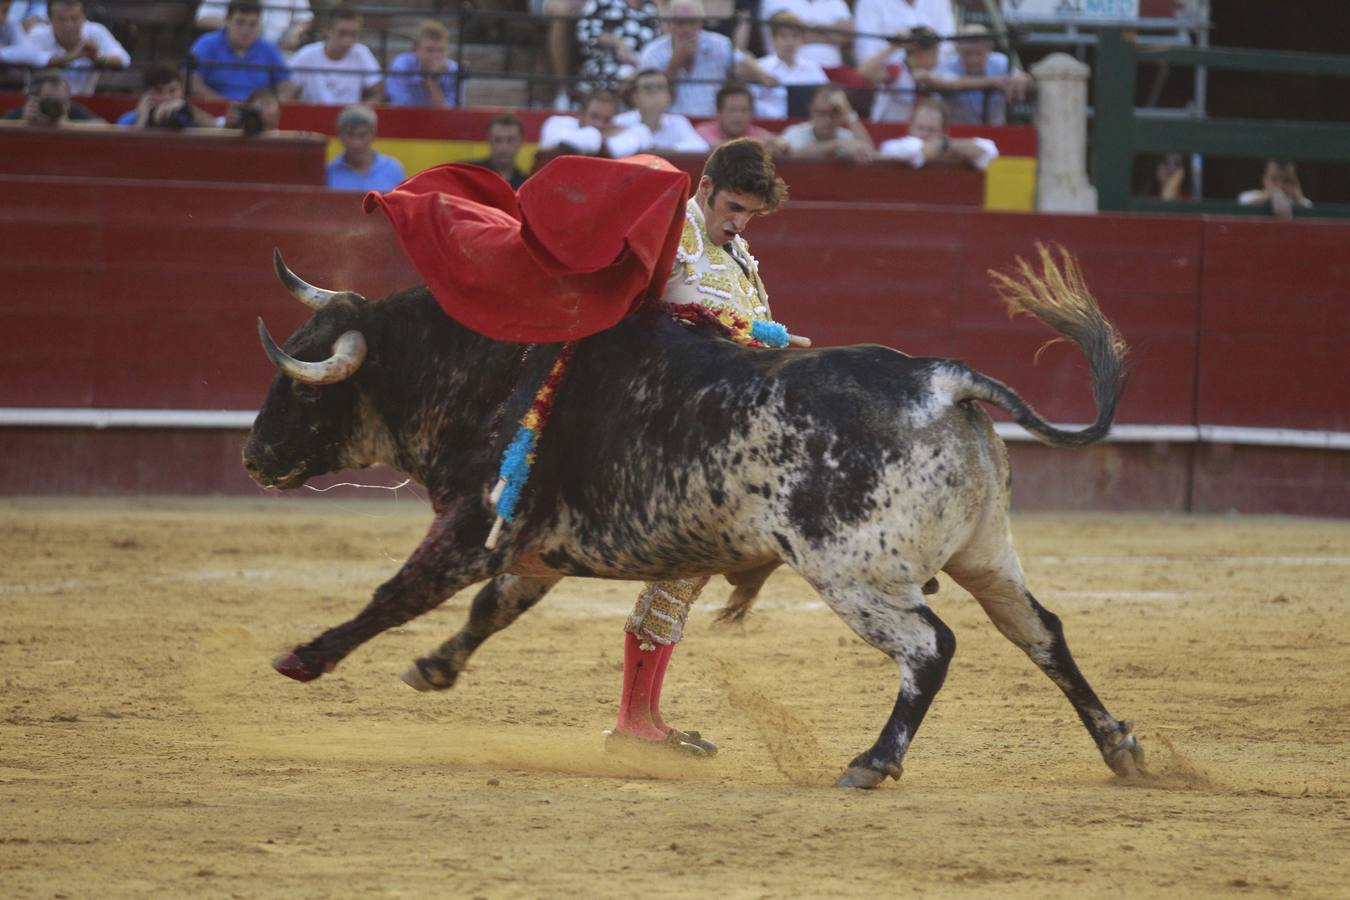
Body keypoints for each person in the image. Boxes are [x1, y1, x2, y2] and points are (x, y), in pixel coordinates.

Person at [609, 137, 789, 756]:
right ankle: (634, 722)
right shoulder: (672, 233)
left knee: (687, 574)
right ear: (704, 186)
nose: (739, 223)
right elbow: (642, 311)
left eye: (751, 215)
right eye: (734, 207)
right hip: (668, 428)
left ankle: (642, 720)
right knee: (681, 568)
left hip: (720, 429)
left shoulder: (739, 254)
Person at [637, 0, 777, 118]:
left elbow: (741, 62)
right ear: (669, 24)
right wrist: (675, 63)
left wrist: (763, 76)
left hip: (713, 122)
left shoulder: (719, 44)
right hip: (671, 124)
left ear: (701, 23)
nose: (686, 29)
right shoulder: (652, 53)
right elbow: (652, 99)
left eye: (691, 23)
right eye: (679, 23)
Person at [189, 0, 297, 101]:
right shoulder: (207, 44)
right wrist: (223, 104)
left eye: (252, 24)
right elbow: (191, 80)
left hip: (256, 117)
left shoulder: (268, 49)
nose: (246, 30)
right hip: (212, 113)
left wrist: (271, 106)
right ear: (227, 21)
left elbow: (287, 86)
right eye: (240, 23)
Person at [932, 24, 1030, 125]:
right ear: (958, 51)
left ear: (988, 50)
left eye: (979, 53)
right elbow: (948, 83)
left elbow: (1020, 78)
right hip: (958, 134)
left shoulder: (1000, 61)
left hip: (996, 131)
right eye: (967, 53)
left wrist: (1021, 78)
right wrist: (992, 82)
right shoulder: (947, 65)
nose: (973, 59)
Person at [24, 0, 127, 95]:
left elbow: (123, 59)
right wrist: (72, 56)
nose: (69, 25)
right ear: (50, 19)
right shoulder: (37, 34)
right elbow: (27, 58)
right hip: (39, 104)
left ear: (83, 17)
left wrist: (97, 58)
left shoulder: (97, 31)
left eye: (74, 18)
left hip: (84, 103)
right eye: (62, 19)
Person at [287, 7, 382, 105]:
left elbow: (377, 93)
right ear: (327, 31)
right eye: (342, 33)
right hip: (313, 117)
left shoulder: (362, 53)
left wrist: (360, 111)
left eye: (353, 34)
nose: (347, 40)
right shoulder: (307, 54)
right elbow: (287, 92)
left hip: (350, 118)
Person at [878, 96, 998, 170]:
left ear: (944, 131)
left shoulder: (950, 145)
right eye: (920, 128)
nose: (924, 134)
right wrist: (945, 147)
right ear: (910, 127)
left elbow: (989, 151)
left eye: (931, 130)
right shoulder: (892, 146)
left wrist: (946, 145)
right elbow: (913, 151)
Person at [610, 67, 709, 155]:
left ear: (669, 96)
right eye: (648, 88)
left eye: (660, 87)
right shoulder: (620, 121)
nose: (655, 93)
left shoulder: (678, 122)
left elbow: (701, 147)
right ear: (634, 97)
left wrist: (663, 151)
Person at [750, 10, 827, 120]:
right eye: (783, 36)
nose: (789, 41)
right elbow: (751, 102)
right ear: (774, 39)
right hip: (770, 125)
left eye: (795, 36)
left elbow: (825, 98)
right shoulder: (759, 68)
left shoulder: (813, 68)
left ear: (802, 39)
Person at [574, 0, 659, 94]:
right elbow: (584, 31)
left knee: (652, 80)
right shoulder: (603, 2)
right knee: (631, 78)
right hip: (606, 62)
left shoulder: (651, 9)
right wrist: (617, 43)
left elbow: (661, 42)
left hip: (643, 67)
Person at [858, 23, 938, 123]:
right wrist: (894, 46)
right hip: (887, 130)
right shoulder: (897, 70)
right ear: (918, 52)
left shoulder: (934, 77)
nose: (937, 57)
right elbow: (864, 72)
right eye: (934, 52)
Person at [852, 0, 953, 78]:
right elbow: (864, 71)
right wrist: (894, 47)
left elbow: (948, 50)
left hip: (938, 91)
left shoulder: (945, 76)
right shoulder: (898, 73)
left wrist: (932, 79)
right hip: (892, 96)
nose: (920, 54)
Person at [780, 82, 875, 162]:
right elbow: (791, 154)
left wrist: (848, 111)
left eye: (835, 114)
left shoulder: (846, 137)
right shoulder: (794, 133)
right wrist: (836, 145)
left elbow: (869, 153)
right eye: (821, 113)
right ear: (811, 111)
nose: (828, 120)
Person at [326, 103, 405, 191]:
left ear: (373, 135)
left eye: (362, 135)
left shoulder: (393, 169)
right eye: (350, 135)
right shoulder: (329, 173)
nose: (356, 143)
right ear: (340, 135)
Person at [695, 80, 784, 153]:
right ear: (719, 113)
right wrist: (758, 144)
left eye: (744, 110)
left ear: (751, 114)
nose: (738, 116)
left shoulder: (757, 133)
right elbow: (716, 148)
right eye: (732, 110)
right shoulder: (702, 131)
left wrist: (777, 145)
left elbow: (780, 143)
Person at [385, 19, 458, 108]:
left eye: (441, 50)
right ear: (415, 49)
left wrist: (432, 81)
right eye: (429, 50)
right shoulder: (401, 66)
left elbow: (449, 116)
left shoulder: (453, 70)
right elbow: (401, 109)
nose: (435, 56)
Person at [117, 62, 215, 128]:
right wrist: (141, 120)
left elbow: (215, 128)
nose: (166, 97)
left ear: (182, 90)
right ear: (146, 94)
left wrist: (188, 110)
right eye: (159, 91)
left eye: (172, 91)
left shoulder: (191, 114)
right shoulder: (128, 119)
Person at [758, 0, 851, 69]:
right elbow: (786, 31)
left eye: (797, 35)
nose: (791, 39)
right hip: (785, 67)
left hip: (834, 69)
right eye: (798, 35)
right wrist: (833, 33)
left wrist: (808, 26)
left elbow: (848, 36)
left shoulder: (836, 2)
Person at [195, 0, 311, 54]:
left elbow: (305, 19)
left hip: (279, 51)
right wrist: (238, 27)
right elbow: (203, 18)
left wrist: (295, 32)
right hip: (230, 50)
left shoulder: (270, 51)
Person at [538, 87, 627, 157]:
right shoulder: (556, 123)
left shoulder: (619, 132)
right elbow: (554, 140)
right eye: (594, 116)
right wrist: (602, 137)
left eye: (607, 120)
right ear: (582, 114)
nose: (599, 124)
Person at [0, 66, 100, 122]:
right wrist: (24, 123)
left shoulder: (74, 111)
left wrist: (67, 125)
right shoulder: (24, 112)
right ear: (35, 100)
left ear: (68, 102)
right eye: (49, 100)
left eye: (61, 101)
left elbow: (107, 130)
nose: (55, 106)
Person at [1238, 159, 1312, 220]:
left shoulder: (1300, 201)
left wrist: (1298, 198)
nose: (1280, 185)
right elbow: (1243, 204)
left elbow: (1309, 211)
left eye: (1285, 180)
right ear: (1264, 179)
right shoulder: (1249, 195)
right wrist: (1271, 195)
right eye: (1274, 179)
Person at [471, 113, 528, 188]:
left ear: (520, 142)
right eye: (497, 140)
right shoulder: (470, 175)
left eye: (510, 140)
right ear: (489, 140)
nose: (503, 147)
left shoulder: (524, 185)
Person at [1, 0, 49, 68]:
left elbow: (30, 52)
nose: (0, 16)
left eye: (4, 11)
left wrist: (2, 53)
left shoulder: (9, 22)